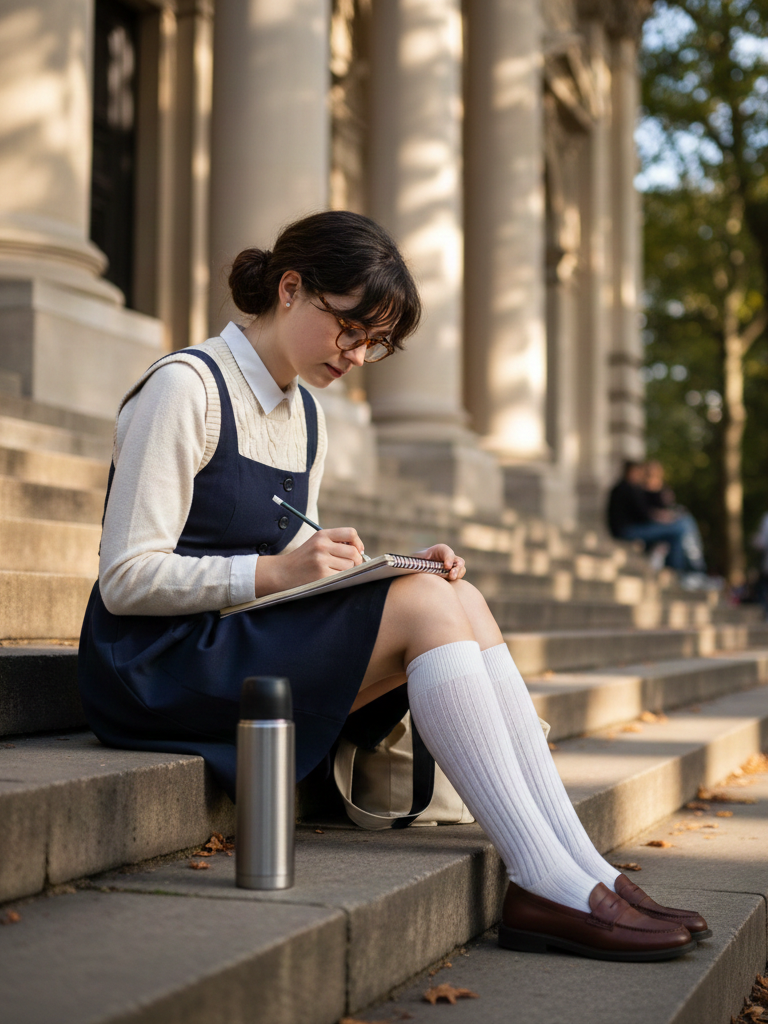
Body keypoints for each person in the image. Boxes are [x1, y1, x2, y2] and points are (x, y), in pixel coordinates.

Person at [78, 211, 707, 962]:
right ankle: (546, 880)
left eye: (376, 343)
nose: (360, 355)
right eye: (351, 330)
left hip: (230, 639)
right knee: (426, 605)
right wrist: (280, 570)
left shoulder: (304, 413)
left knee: (454, 594)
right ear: (290, 289)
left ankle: (578, 867)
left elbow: (286, 559)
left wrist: (377, 566)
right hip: (153, 662)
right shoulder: (184, 388)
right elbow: (124, 579)